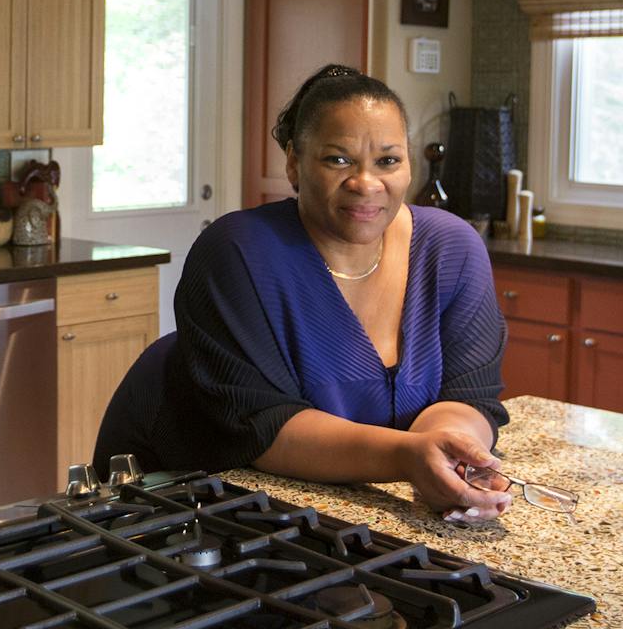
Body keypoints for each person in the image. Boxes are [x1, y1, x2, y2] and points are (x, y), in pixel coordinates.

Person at [93, 64, 513, 520]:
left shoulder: (450, 249)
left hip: (343, 513)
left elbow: (469, 394)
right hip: (187, 505)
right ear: (293, 162)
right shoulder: (238, 252)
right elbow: (262, 425)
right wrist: (408, 457)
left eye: (388, 160)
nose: (366, 183)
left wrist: (448, 450)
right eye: (338, 159)